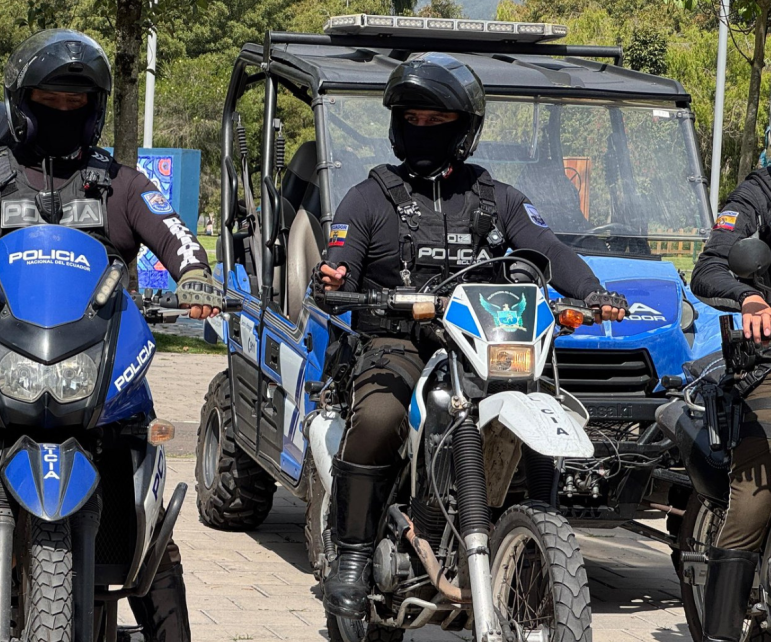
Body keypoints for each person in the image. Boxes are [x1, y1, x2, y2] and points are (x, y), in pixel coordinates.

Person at [0, 29, 221, 642]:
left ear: (96, 108)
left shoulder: (123, 184)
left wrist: (194, 272)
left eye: (76, 102)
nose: (63, 111)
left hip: (98, 369)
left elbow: (173, 233)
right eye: (49, 100)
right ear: (20, 103)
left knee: (151, 511)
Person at [315, 52, 628, 620]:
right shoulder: (367, 198)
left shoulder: (495, 197)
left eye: (438, 120)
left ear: (465, 128)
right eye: (413, 118)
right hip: (399, 342)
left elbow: (547, 249)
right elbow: (338, 271)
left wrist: (593, 291)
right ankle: (355, 556)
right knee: (382, 416)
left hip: (481, 343)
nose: (424, 129)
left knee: (539, 398)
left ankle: (528, 547)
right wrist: (334, 280)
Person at [689, 166, 771, 642]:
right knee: (757, 491)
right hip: (767, 364)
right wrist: (750, 299)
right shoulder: (759, 192)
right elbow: (710, 268)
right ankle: (721, 631)